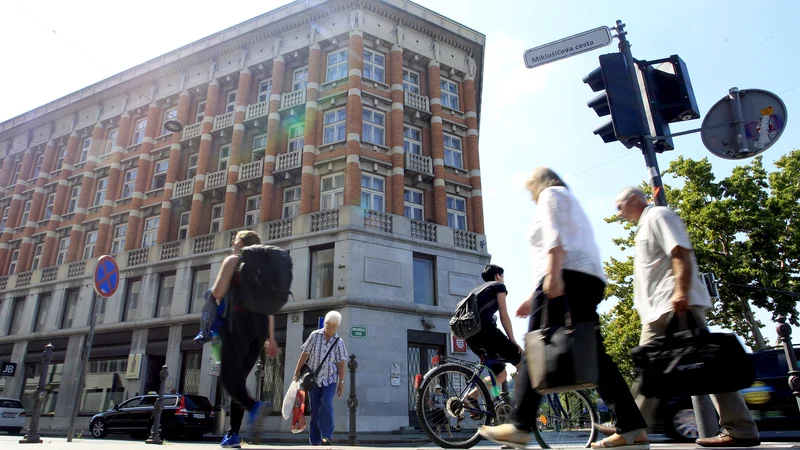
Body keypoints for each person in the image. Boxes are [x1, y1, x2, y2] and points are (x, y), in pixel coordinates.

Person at [479, 167, 649, 450]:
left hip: (565, 276)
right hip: (582, 277)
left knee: (534, 349)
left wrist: (554, 275)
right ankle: (632, 427)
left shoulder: (551, 194)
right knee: (595, 357)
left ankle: (520, 425)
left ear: (538, 184)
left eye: (530, 188)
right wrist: (535, 296)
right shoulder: (565, 197)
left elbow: (554, 235)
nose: (531, 195)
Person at [615, 187, 760, 447]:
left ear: (634, 200)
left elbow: (680, 251)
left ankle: (630, 429)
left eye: (620, 206)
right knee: (699, 368)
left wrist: (681, 292)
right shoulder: (645, 224)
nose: (619, 213)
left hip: (673, 304)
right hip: (659, 308)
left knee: (657, 370)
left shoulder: (659, 215)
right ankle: (741, 429)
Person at [211, 230, 278, 448]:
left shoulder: (233, 260)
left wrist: (216, 291)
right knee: (238, 380)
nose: (233, 242)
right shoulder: (265, 271)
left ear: (242, 243)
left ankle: (254, 406)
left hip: (237, 323)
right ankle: (233, 435)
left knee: (229, 378)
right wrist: (271, 338)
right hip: (258, 331)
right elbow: (269, 307)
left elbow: (218, 292)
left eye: (236, 239)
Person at [464, 265, 522, 399]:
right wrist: (513, 342)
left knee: (501, 375)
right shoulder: (498, 286)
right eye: (503, 277)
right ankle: (521, 409)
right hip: (487, 333)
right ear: (498, 276)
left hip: (471, 337)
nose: (503, 280)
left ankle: (470, 397)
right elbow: (503, 314)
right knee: (522, 362)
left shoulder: (476, 291)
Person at [293, 311, 348, 446]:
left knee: (327, 403)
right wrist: (296, 372)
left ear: (338, 326)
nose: (331, 328)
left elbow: (341, 364)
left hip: (330, 379)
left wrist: (341, 383)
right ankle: (315, 440)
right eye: (329, 325)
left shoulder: (339, 342)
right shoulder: (314, 336)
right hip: (314, 380)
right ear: (325, 323)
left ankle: (327, 436)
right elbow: (305, 354)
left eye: (334, 326)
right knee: (315, 409)